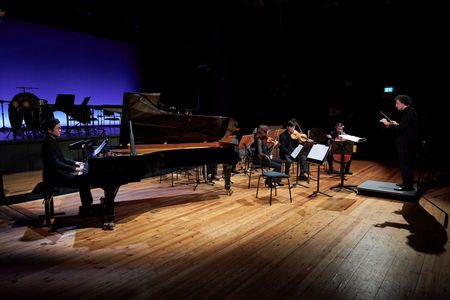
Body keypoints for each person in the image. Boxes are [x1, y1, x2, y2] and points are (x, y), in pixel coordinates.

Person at [41, 118, 94, 213]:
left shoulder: (52, 140)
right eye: (58, 128)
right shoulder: (48, 144)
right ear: (49, 130)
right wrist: (75, 169)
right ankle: (87, 208)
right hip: (54, 177)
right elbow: (56, 163)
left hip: (57, 173)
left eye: (60, 128)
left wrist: (76, 163)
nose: (60, 130)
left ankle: (88, 205)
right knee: (83, 181)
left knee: (83, 178)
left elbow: (63, 158)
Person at [380, 94, 418, 191]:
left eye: (397, 103)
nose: (395, 105)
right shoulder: (410, 111)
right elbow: (405, 126)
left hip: (405, 144)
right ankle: (407, 183)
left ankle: (408, 186)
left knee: (405, 164)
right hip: (407, 143)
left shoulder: (408, 112)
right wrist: (396, 123)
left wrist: (387, 124)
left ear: (403, 103)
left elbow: (401, 129)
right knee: (405, 164)